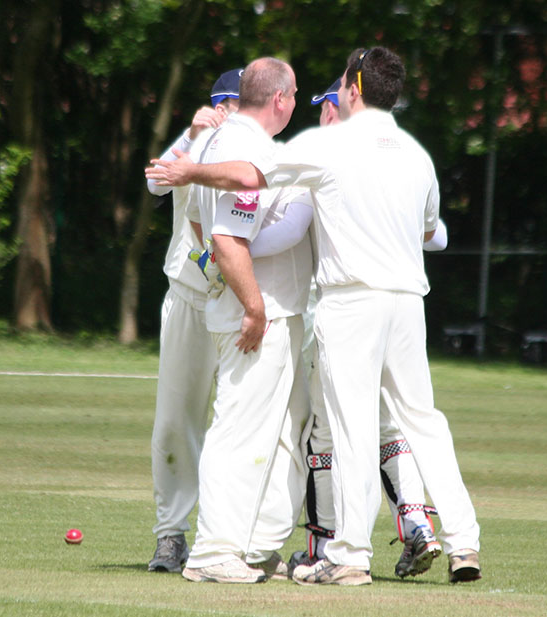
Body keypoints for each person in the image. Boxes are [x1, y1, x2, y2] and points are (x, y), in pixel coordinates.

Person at [146, 47, 481, 586]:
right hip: (406, 300)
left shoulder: (326, 146)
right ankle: (465, 542)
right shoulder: (418, 154)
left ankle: (349, 554)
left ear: (353, 88)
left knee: (347, 429)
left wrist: (189, 170)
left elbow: (248, 177)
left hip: (350, 300)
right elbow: (432, 232)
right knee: (424, 422)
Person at [290, 78, 450, 580]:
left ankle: (325, 547)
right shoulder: (391, 162)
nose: (323, 116)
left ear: (342, 110)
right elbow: (437, 235)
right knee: (388, 426)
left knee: (327, 435)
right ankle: (418, 523)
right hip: (394, 313)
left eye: (327, 108)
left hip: (337, 313)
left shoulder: (325, 162)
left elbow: (287, 229)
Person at [180, 56, 312, 585]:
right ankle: (213, 550)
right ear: (279, 99)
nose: (298, 101)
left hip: (251, 305)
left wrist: (220, 278)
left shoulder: (215, 140)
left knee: (273, 434)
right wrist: (254, 307)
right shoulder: (247, 148)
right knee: (237, 430)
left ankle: (253, 547)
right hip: (257, 313)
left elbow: (196, 219)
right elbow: (228, 238)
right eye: (296, 93)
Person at [144, 68, 241, 574]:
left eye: (238, 103)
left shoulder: (261, 151)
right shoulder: (196, 145)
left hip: (241, 302)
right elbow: (155, 181)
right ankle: (171, 535)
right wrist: (192, 132)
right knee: (174, 420)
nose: (228, 113)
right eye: (223, 102)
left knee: (240, 422)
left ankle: (231, 537)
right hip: (187, 294)